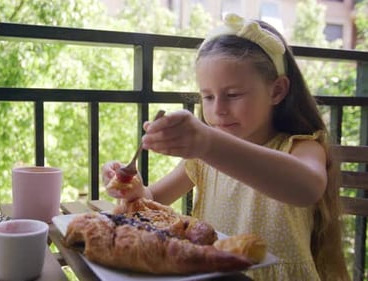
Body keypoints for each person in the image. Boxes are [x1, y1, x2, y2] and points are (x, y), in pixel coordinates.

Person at [102, 13, 349, 281]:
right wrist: (136, 190)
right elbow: (154, 200)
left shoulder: (301, 146)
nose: (218, 110)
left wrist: (208, 143)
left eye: (233, 95)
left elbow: (307, 188)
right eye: (208, 96)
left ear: (277, 91)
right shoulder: (202, 158)